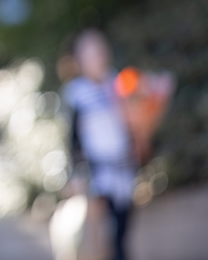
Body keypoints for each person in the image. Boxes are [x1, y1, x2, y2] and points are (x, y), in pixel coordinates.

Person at [62, 29, 136, 260]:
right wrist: (77, 174)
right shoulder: (76, 93)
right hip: (97, 174)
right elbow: (71, 138)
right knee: (103, 238)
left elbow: (134, 125)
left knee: (122, 235)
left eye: (99, 51)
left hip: (124, 170)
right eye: (89, 53)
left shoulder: (119, 85)